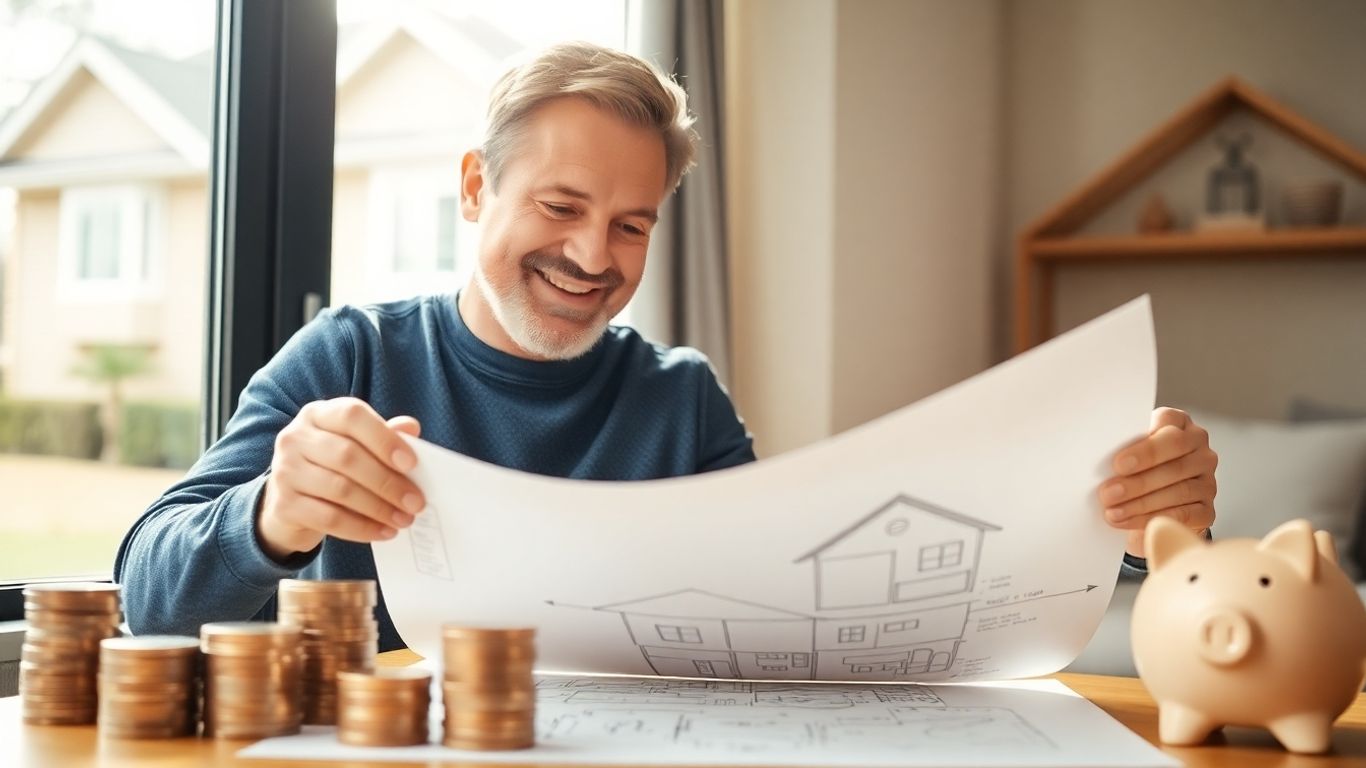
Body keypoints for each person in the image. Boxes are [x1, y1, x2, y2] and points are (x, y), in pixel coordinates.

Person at [114, 42, 1218, 651]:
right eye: (560, 205)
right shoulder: (346, 357)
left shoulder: (681, 402)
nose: (594, 254)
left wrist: (1134, 529)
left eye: (632, 223)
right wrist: (274, 513)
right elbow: (147, 592)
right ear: (473, 187)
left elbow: (805, 615)